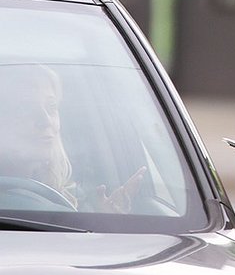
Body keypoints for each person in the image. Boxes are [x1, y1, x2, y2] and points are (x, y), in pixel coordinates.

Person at [0, 63, 146, 213]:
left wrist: (102, 215)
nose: (46, 120)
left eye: (51, 107)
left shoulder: (63, 195)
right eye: (25, 108)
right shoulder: (50, 207)